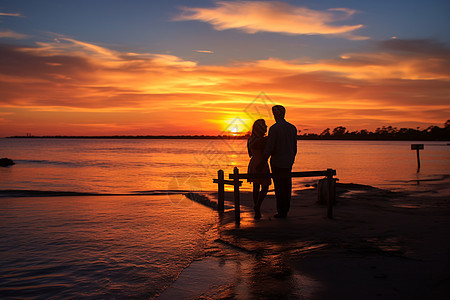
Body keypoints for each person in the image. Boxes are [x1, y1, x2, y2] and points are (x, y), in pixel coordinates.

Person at [264, 105, 297, 218]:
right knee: (287, 186)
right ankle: (285, 210)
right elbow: (294, 147)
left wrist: (263, 160)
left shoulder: (274, 128)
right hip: (288, 161)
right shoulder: (292, 128)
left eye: (275, 113)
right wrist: (292, 159)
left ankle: (281, 211)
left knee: (279, 187)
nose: (274, 115)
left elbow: (270, 147)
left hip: (277, 161)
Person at [247, 119, 271, 220]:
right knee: (265, 186)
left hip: (253, 162)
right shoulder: (263, 140)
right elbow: (267, 152)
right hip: (261, 162)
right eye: (264, 125)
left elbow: (250, 154)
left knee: (256, 186)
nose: (266, 127)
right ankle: (257, 206)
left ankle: (257, 207)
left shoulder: (250, 139)